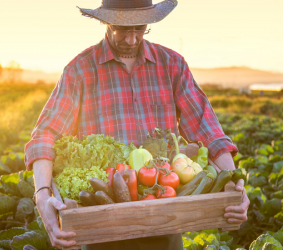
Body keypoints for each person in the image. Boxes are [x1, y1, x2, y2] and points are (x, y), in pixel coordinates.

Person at [25, 0, 250, 249]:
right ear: (105, 21)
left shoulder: (172, 65)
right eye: (122, 29)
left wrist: (235, 183)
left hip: (165, 218)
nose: (132, 40)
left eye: (140, 28)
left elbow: (207, 129)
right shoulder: (80, 70)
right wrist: (42, 195)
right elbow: (44, 136)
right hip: (101, 224)